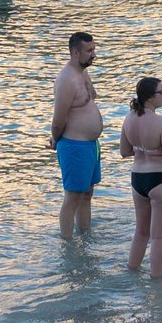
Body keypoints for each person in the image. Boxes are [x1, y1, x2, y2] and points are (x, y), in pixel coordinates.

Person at [119, 77, 162, 277]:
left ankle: (131, 272)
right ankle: (157, 285)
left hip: (138, 179)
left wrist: (143, 149)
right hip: (161, 179)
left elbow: (124, 151)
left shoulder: (129, 119)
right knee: (159, 237)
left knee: (141, 232)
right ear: (150, 98)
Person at [52, 33, 103, 237]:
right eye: (89, 51)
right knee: (73, 197)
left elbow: (90, 99)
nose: (94, 55)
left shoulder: (82, 72)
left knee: (87, 194)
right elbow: (58, 119)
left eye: (94, 49)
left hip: (90, 145)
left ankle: (85, 236)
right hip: (74, 146)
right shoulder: (66, 80)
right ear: (75, 53)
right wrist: (55, 140)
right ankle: (68, 246)